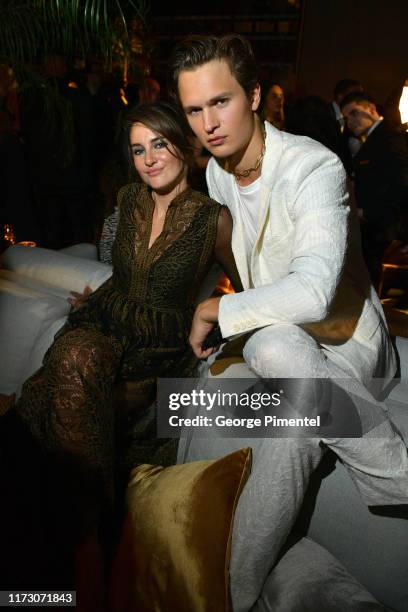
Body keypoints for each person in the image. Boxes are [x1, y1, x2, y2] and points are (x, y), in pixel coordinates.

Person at [169, 34, 408, 611]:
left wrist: (219, 311)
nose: (209, 124)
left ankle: (399, 474)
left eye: (220, 103)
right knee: (283, 398)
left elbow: (313, 293)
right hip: (292, 347)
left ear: (253, 95)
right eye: (194, 110)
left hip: (347, 342)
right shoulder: (219, 174)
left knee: (271, 347)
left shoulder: (314, 167)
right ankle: (237, 595)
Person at [3, 101, 242, 604]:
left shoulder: (212, 219)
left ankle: (71, 561)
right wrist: (96, 298)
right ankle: (86, 550)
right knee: (74, 358)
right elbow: (121, 273)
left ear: (185, 144)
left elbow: (250, 289)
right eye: (138, 149)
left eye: (159, 144)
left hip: (157, 347)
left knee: (55, 391)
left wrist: (216, 311)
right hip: (104, 324)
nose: (149, 158)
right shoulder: (128, 200)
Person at [341, 90, 408, 283]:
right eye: (346, 117)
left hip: (385, 230)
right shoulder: (377, 137)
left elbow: (402, 182)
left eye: (354, 113)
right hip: (377, 227)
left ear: (371, 108)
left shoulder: (388, 136)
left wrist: (368, 212)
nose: (350, 121)